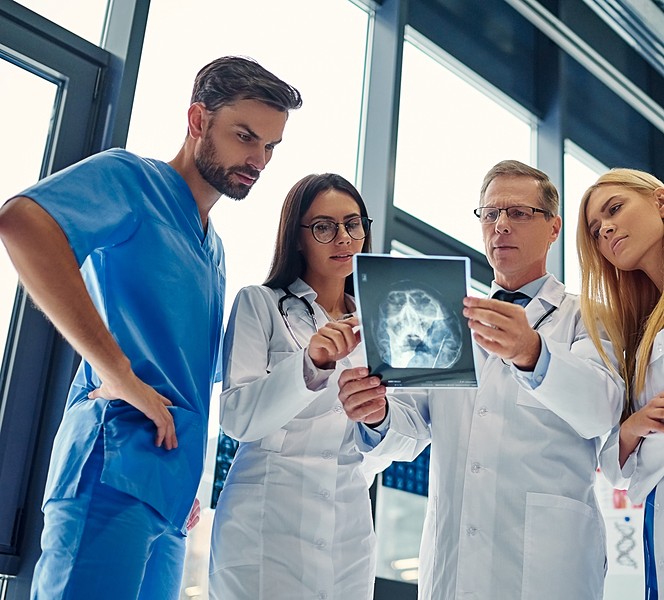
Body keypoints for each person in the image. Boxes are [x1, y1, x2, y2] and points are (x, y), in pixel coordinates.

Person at [0, 56, 301, 600]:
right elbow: (24, 223)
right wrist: (112, 369)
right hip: (111, 471)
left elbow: (189, 379)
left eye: (271, 147)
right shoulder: (133, 181)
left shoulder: (214, 248)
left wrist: (191, 478)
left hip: (170, 499)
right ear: (197, 120)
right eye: (245, 136)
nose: (258, 159)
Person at [338, 159, 624, 599]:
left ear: (554, 228)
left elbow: (600, 410)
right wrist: (377, 415)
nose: (501, 225)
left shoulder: (587, 314)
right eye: (490, 214)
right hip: (453, 563)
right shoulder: (451, 316)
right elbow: (412, 428)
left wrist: (533, 353)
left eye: (518, 212)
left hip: (549, 567)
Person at [208, 173, 389, 600]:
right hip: (267, 520)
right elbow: (237, 418)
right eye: (324, 227)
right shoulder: (261, 304)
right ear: (297, 238)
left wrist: (379, 420)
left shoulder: (381, 324)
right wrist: (310, 364)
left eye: (353, 223)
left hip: (347, 523)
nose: (343, 238)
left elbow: (400, 442)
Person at [577, 168, 664, 599]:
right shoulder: (639, 334)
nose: (606, 229)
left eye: (615, 209)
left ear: (660, 202)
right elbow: (615, 466)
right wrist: (632, 427)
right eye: (595, 230)